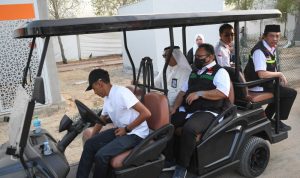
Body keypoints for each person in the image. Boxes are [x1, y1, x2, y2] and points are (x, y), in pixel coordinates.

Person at [167, 43, 231, 178]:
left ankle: (182, 166)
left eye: (200, 57)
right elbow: (182, 92)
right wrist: (174, 108)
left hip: (209, 111)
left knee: (189, 129)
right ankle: (169, 158)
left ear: (211, 56)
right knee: (167, 124)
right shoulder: (194, 72)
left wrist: (200, 94)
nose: (197, 59)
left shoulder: (220, 72)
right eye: (196, 56)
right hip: (189, 110)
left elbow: (222, 93)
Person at [76, 69, 151, 178]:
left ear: (100, 83)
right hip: (121, 130)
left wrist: (126, 129)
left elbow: (146, 113)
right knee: (89, 144)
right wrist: (92, 139)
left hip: (135, 133)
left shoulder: (122, 93)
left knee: (101, 155)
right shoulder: (107, 97)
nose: (95, 92)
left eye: (94, 89)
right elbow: (101, 120)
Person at [244, 24, 297, 132]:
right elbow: (262, 74)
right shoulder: (260, 51)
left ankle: (267, 118)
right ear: (265, 36)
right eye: (272, 36)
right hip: (258, 84)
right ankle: (277, 121)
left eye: (277, 36)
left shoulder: (270, 48)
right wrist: (279, 74)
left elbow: (272, 67)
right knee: (291, 93)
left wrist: (277, 76)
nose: (275, 39)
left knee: (281, 92)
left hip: (265, 83)